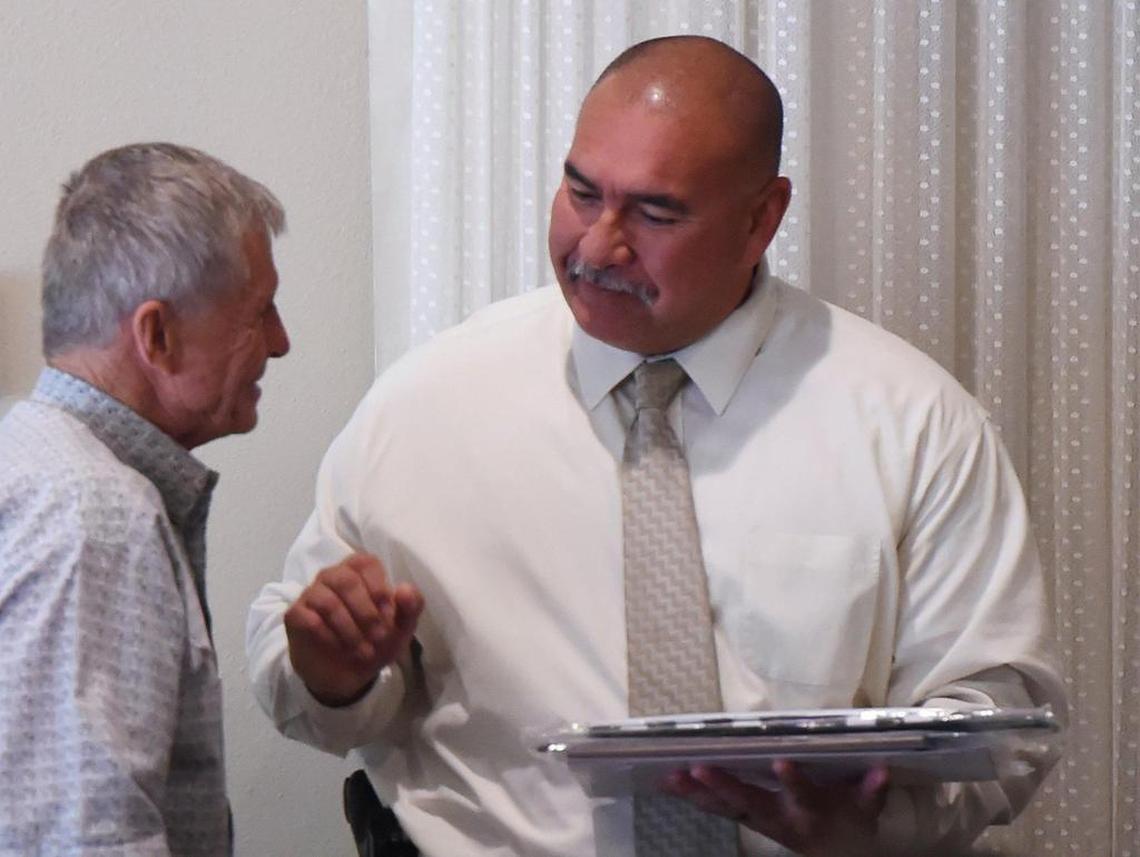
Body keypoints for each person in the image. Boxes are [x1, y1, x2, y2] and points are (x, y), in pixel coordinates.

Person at [247, 36, 1064, 857]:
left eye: (655, 212)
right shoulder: (421, 408)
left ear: (762, 217)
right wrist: (333, 671)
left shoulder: (914, 421)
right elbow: (304, 681)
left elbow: (1000, 718)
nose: (598, 246)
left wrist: (877, 822)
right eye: (580, 192)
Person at [0, 143, 289, 856]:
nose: (280, 343)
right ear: (156, 334)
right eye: (259, 313)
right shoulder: (94, 514)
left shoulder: (35, 464)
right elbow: (86, 839)